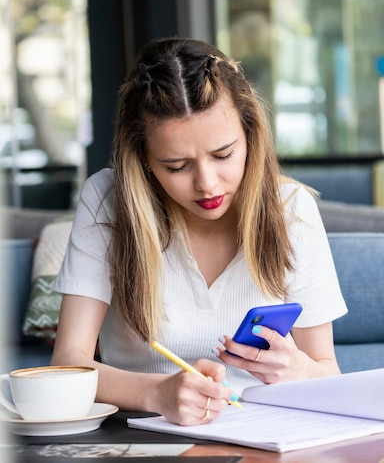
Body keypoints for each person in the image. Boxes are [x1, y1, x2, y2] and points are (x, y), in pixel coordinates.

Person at [52, 36, 347, 426]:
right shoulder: (108, 200)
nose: (207, 184)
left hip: (270, 433)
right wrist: (157, 393)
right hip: (146, 438)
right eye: (176, 166)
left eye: (224, 155)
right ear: (142, 160)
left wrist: (297, 370)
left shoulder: (291, 209)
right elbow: (67, 365)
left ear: (250, 136)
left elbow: (329, 372)